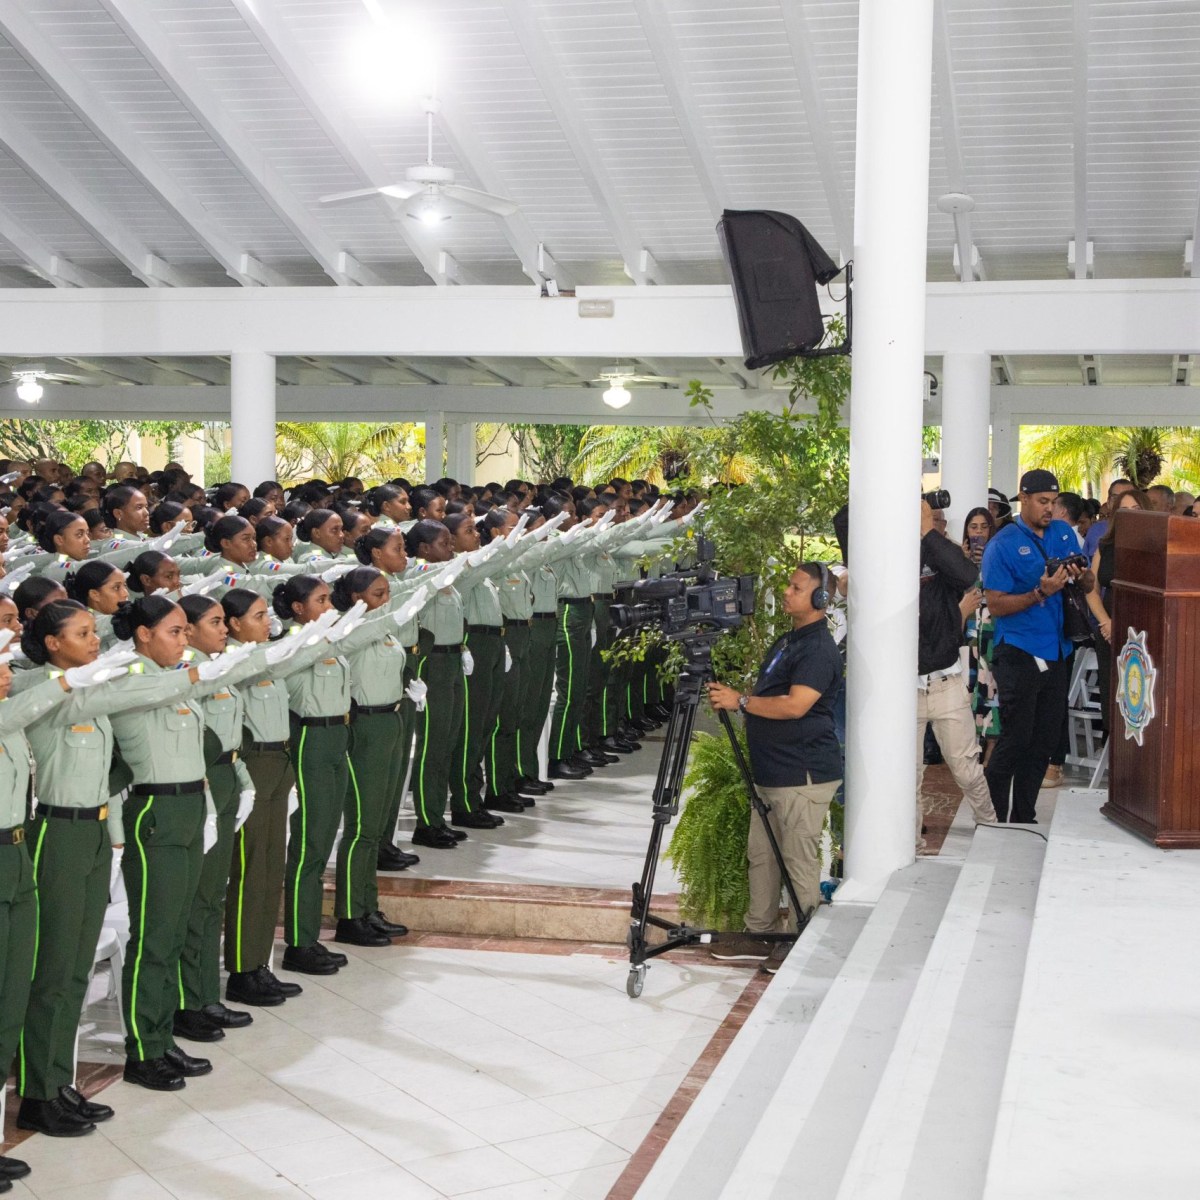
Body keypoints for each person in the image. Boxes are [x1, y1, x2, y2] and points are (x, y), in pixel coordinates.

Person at [706, 564, 844, 968]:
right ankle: (760, 933)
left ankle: (806, 941)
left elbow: (796, 705)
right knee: (763, 856)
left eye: (796, 587)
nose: (786, 591)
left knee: (798, 860)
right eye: (788, 584)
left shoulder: (818, 649)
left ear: (820, 599)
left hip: (801, 775)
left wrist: (742, 702)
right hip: (772, 774)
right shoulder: (789, 640)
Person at [980, 470, 1095, 823]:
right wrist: (1040, 592)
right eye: (1042, 502)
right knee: (1017, 737)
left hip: (1058, 649)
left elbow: (1089, 583)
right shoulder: (1003, 544)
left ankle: (1024, 815)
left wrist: (1079, 574)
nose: (1049, 509)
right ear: (1024, 499)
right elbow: (996, 605)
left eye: (1053, 502)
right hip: (1018, 650)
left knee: (1044, 740)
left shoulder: (1063, 532)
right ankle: (995, 814)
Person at [914, 501, 997, 850]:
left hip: (946, 683)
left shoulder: (941, 554)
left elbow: (966, 575)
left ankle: (991, 828)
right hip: (905, 689)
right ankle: (910, 843)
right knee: (909, 776)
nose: (935, 523)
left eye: (937, 520)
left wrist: (926, 533)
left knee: (966, 768)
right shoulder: (887, 551)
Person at [1085, 488, 1152, 736]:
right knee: (1113, 698)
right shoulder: (1105, 546)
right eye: (1124, 510)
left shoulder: (1155, 548)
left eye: (1137, 510)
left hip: (1142, 634)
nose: (1131, 515)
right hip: (1110, 633)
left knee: (1138, 701)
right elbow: (1091, 589)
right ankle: (1115, 765)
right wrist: (1107, 622)